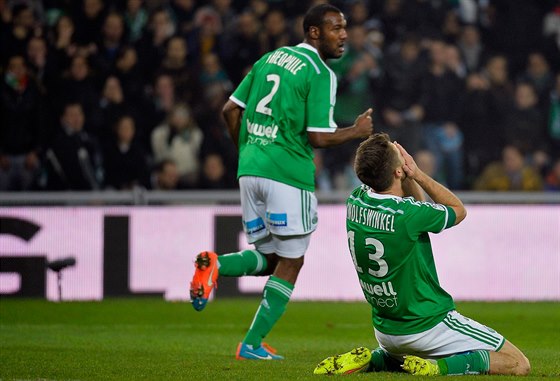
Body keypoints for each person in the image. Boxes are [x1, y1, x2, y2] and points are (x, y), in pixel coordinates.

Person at [189, 3, 373, 361]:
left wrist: (247, 151)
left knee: (271, 257)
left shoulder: (269, 59)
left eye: (345, 27)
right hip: (288, 175)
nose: (344, 35)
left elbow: (230, 110)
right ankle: (251, 345)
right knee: (292, 262)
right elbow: (318, 137)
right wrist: (356, 131)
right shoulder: (320, 73)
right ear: (314, 32)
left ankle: (215, 265)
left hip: (251, 170)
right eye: (335, 28)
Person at [313, 133, 531, 376]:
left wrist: (397, 170)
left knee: (402, 350)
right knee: (517, 363)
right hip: (426, 325)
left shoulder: (356, 200)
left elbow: (416, 204)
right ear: (398, 171)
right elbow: (458, 210)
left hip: (386, 331)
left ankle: (378, 359)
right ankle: (438, 368)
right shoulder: (407, 215)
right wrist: (416, 173)